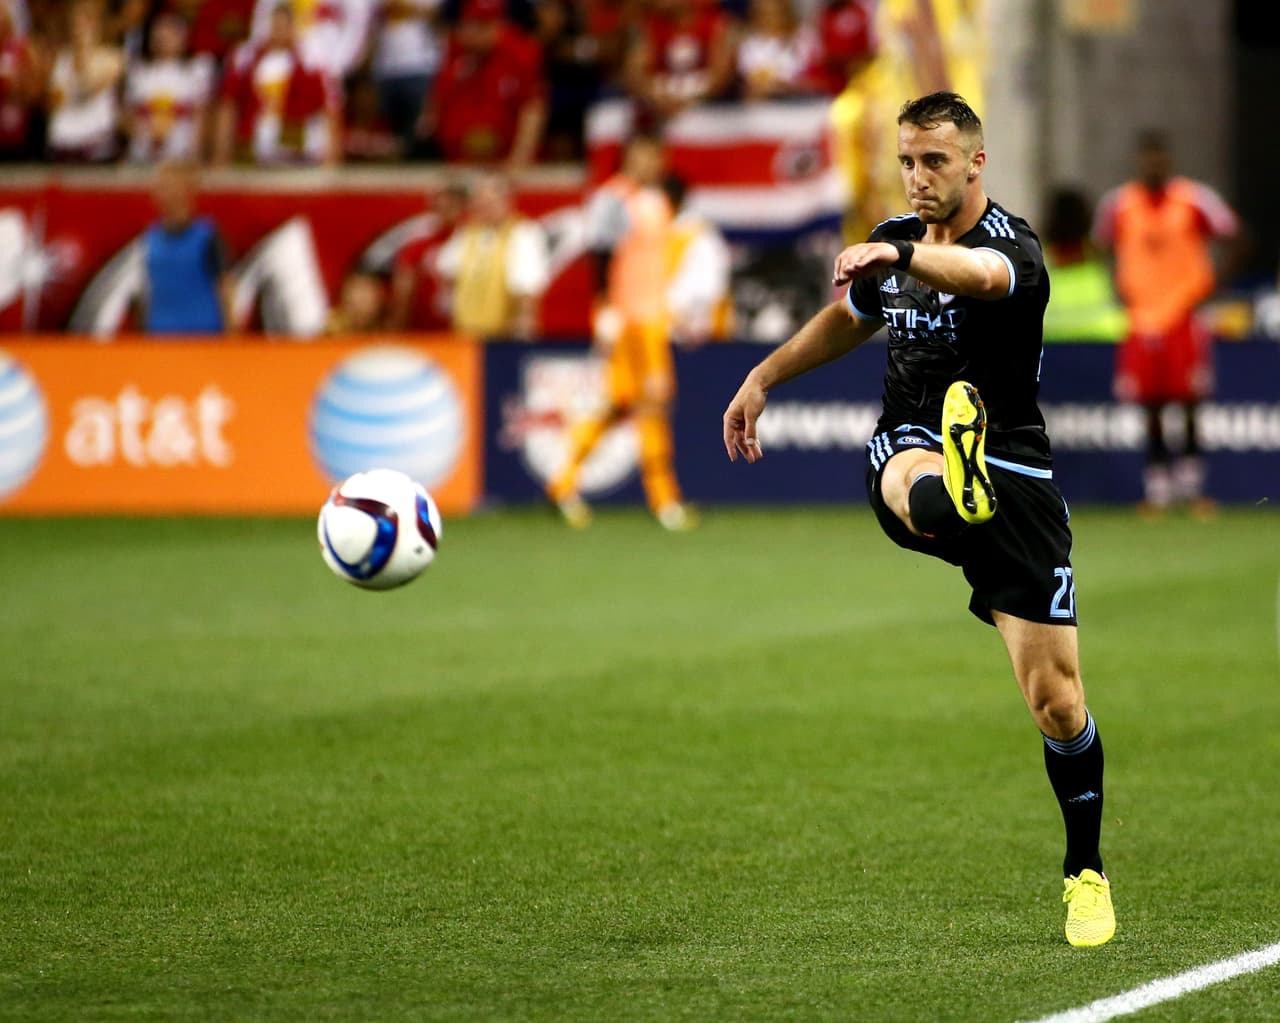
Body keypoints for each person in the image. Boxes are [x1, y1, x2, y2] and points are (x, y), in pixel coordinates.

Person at [722, 92, 1116, 948]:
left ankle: (1084, 872)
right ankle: (949, 484)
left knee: (1057, 702)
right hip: (915, 444)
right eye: (907, 160)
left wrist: (898, 250)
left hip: (1017, 476)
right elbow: (846, 319)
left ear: (977, 163)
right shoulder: (895, 237)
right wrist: (764, 376)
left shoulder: (1014, 250)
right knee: (908, 469)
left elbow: (977, 278)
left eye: (935, 160)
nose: (918, 176)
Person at [545, 134, 697, 532]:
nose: (653, 161)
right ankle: (664, 500)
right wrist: (604, 309)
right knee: (651, 405)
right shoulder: (613, 199)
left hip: (652, 318)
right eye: (646, 153)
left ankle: (562, 483)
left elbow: (655, 264)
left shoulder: (658, 200)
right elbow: (600, 255)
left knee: (618, 405)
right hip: (630, 321)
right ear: (631, 155)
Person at [1092, 130, 1241, 517]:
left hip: (1183, 316)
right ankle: (1157, 491)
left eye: (1159, 159)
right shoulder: (1120, 204)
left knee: (1190, 402)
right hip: (1142, 318)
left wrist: (1211, 286)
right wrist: (1120, 286)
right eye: (1148, 159)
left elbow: (1237, 237)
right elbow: (1101, 246)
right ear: (1140, 162)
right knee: (1150, 405)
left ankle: (1193, 491)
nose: (1153, 166)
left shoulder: (1193, 199)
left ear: (1168, 162)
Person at [435, 170, 550, 338]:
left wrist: (522, 326)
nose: (483, 206)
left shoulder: (523, 233)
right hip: (466, 335)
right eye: (480, 200)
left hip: (504, 336)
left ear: (506, 201)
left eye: (490, 201)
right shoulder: (467, 234)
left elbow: (528, 290)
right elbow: (446, 271)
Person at [139, 160, 235, 336]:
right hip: (159, 336)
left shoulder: (207, 236)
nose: (161, 192)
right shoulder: (150, 237)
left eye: (168, 185)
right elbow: (149, 289)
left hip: (202, 336)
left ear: (187, 191)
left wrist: (232, 334)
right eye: (160, 186)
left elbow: (225, 287)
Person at [123, 12, 215, 163]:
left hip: (181, 157)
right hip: (141, 156)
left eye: (169, 34)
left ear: (183, 38)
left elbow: (202, 115)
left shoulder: (196, 70)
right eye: (158, 35)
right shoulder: (139, 72)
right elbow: (126, 114)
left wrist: (196, 155)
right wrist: (141, 132)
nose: (163, 40)